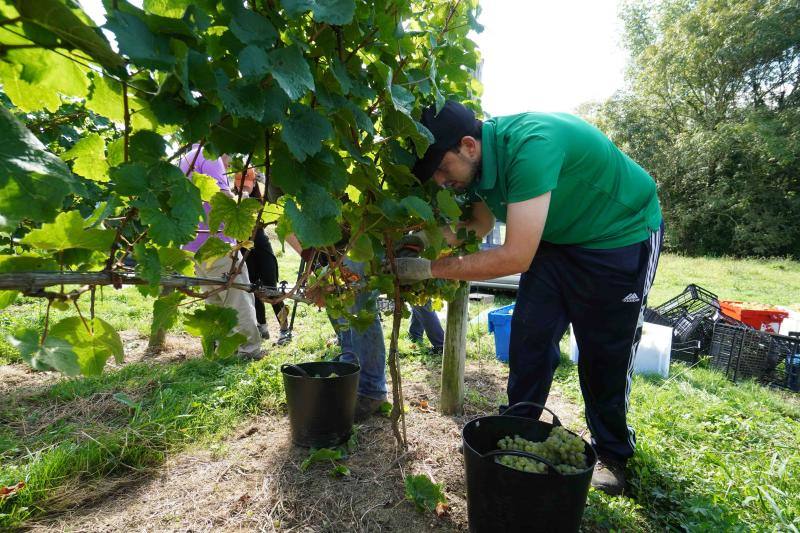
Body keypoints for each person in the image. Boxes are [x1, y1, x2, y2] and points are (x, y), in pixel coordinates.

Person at [395, 101, 664, 495]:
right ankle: (518, 427)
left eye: (440, 167)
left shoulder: (531, 148)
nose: (439, 179)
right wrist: (422, 241)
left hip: (619, 235)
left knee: (604, 353)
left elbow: (515, 256)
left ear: (468, 146)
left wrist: (430, 269)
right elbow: (478, 224)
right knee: (529, 339)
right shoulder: (479, 168)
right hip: (555, 240)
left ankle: (612, 451)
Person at [285, 235, 389, 421]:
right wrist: (314, 263)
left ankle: (372, 391)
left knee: (359, 309)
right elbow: (289, 232)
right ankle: (349, 373)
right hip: (325, 245)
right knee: (338, 304)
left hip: (355, 238)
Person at [178, 145, 262, 359]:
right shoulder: (210, 156)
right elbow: (223, 199)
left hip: (193, 244)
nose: (229, 165)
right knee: (237, 297)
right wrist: (244, 196)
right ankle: (248, 350)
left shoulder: (187, 158)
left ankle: (223, 350)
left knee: (214, 299)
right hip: (216, 243)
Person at [233, 169, 291, 344]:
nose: (243, 187)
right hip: (244, 250)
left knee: (272, 291)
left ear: (254, 183)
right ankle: (262, 327)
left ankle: (285, 329)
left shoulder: (261, 198)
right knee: (253, 289)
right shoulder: (230, 199)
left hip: (262, 248)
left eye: (247, 183)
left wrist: (263, 181)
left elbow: (276, 204)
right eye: (239, 184)